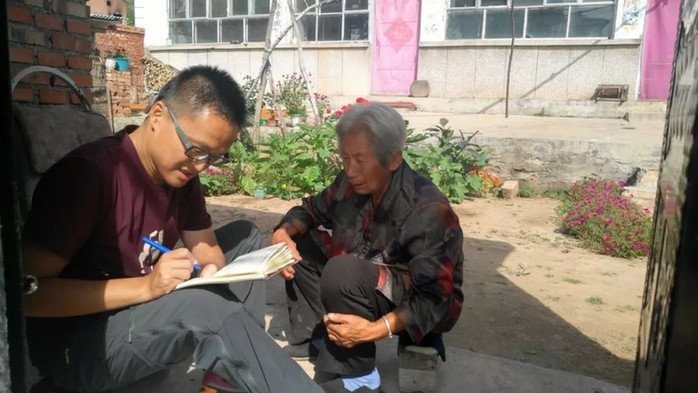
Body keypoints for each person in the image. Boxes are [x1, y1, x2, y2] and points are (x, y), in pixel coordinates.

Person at [22, 66, 322, 393]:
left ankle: (226, 380)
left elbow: (207, 248)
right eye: (196, 150)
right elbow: (29, 295)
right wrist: (149, 287)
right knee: (205, 308)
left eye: (214, 158)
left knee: (246, 237)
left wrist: (212, 271)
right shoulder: (88, 176)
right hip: (77, 345)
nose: (201, 166)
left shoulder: (181, 175)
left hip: (139, 310)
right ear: (158, 115)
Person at [271, 103, 464, 393]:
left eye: (361, 160)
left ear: (393, 159)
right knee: (299, 244)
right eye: (345, 158)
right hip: (362, 275)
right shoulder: (348, 184)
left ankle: (358, 373)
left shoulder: (428, 210)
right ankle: (315, 338)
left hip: (415, 294)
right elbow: (310, 210)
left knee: (343, 269)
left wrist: (374, 331)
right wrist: (283, 233)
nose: (350, 170)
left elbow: (435, 299)